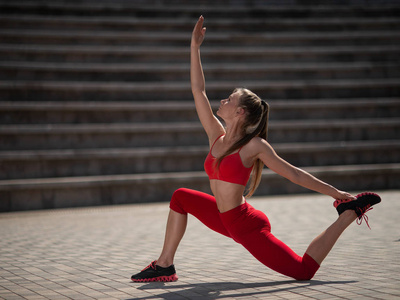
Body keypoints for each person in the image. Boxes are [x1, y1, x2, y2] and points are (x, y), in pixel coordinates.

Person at [131, 16, 381, 283]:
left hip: (244, 224)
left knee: (302, 271)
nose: (222, 100)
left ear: (239, 112)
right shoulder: (217, 135)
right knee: (180, 197)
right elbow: (198, 90)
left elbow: (295, 175)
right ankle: (165, 265)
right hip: (221, 215)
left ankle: (349, 213)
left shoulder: (254, 146)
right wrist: (194, 47)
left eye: (229, 99)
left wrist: (336, 193)